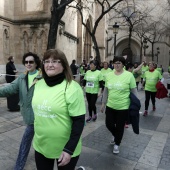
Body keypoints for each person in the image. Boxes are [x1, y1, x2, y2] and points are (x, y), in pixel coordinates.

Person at [30, 49, 86, 170]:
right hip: (41, 145)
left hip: (65, 148)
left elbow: (79, 122)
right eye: (47, 61)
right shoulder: (38, 84)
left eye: (55, 61)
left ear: (64, 65)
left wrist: (69, 149)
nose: (50, 65)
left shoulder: (72, 87)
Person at [0, 52, 41, 170]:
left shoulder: (43, 77)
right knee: (28, 142)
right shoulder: (22, 78)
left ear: (36, 63)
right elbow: (9, 89)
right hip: (29, 117)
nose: (28, 64)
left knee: (26, 143)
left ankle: (19, 167)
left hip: (41, 116)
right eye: (26, 62)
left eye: (31, 62)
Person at [101, 56, 137, 154]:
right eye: (115, 63)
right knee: (108, 124)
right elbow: (106, 90)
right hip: (110, 105)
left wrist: (135, 106)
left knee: (120, 127)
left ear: (123, 64)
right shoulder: (109, 75)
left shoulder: (129, 76)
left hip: (123, 107)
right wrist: (103, 103)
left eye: (119, 63)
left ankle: (117, 144)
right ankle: (115, 135)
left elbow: (134, 92)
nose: (116, 65)